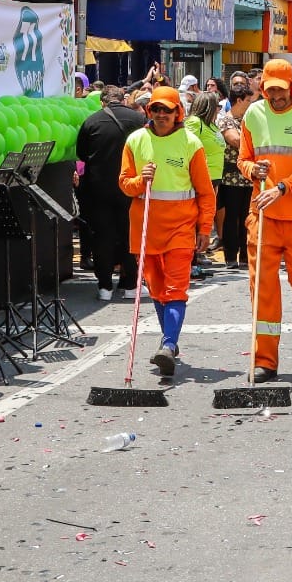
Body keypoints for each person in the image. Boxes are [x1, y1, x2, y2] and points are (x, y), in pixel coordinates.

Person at [237, 59, 292, 380]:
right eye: (269, 90)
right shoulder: (253, 114)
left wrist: (282, 187)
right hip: (262, 216)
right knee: (261, 289)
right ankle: (265, 361)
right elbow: (243, 158)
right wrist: (251, 170)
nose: (275, 96)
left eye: (280, 90)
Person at [118, 87, 216, 376]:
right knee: (157, 291)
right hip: (145, 227)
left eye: (167, 110)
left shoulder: (190, 143)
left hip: (181, 228)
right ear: (149, 112)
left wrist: (204, 229)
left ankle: (169, 344)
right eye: (156, 109)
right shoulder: (135, 140)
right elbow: (124, 183)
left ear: (178, 113)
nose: (161, 115)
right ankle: (168, 344)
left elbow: (205, 193)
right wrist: (140, 181)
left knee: (175, 290)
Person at [76, 85, 147, 300]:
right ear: (123, 100)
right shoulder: (138, 120)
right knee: (130, 235)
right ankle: (130, 283)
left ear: (102, 102)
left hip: (99, 188)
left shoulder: (91, 121)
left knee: (102, 236)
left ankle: (104, 285)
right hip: (131, 186)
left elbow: (82, 154)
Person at [185, 90, 226, 270]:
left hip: (215, 177)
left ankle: (198, 252)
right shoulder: (195, 123)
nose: (218, 109)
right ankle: (194, 254)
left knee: (206, 215)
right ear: (208, 107)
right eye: (216, 106)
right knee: (198, 216)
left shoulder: (211, 125)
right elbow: (186, 145)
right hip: (202, 176)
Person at [216, 82, 256, 267]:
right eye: (248, 100)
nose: (251, 103)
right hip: (232, 178)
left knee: (248, 218)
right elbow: (235, 140)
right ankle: (231, 255)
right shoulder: (225, 120)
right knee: (232, 218)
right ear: (238, 100)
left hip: (249, 177)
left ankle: (246, 256)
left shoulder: (248, 120)